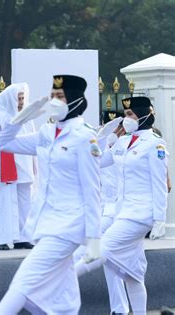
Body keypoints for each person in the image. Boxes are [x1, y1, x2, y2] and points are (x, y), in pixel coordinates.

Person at [0, 75, 101, 314]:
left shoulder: (85, 137)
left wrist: (94, 237)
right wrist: (19, 119)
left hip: (68, 226)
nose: (54, 101)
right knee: (65, 299)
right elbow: (3, 143)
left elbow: (92, 189)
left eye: (60, 96)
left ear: (74, 100)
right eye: (52, 96)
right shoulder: (46, 132)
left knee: (23, 282)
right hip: (45, 222)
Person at [78, 96, 168, 315]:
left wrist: (159, 219)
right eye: (125, 115)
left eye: (130, 115)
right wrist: (97, 140)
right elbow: (99, 162)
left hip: (141, 214)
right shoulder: (124, 141)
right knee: (133, 274)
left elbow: (160, 183)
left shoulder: (155, 144)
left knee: (101, 248)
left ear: (145, 115)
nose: (126, 119)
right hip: (123, 212)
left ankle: (57, 279)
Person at [73, 110, 130, 314]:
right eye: (112, 127)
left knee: (81, 252)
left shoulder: (127, 147)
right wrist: (103, 136)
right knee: (111, 262)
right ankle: (120, 308)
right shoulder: (105, 147)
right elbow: (94, 159)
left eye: (119, 128)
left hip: (117, 211)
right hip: (103, 210)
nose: (118, 131)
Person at [0, 83, 36, 250]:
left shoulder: (26, 118)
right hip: (3, 169)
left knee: (25, 203)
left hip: (24, 168)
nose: (20, 102)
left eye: (22, 98)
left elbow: (33, 142)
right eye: (18, 99)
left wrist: (36, 167)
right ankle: (1, 239)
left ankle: (23, 237)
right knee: (3, 204)